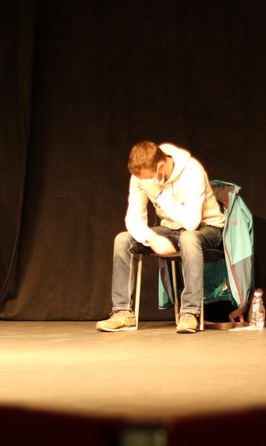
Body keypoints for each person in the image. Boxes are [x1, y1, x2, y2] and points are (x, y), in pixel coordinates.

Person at [96, 141, 226, 334]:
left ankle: (190, 312)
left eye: (147, 177)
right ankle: (123, 312)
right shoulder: (140, 177)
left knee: (189, 238)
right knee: (123, 240)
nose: (144, 181)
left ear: (160, 167)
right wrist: (152, 238)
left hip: (207, 227)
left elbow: (191, 222)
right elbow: (133, 217)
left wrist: (159, 195)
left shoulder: (193, 170)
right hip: (170, 229)